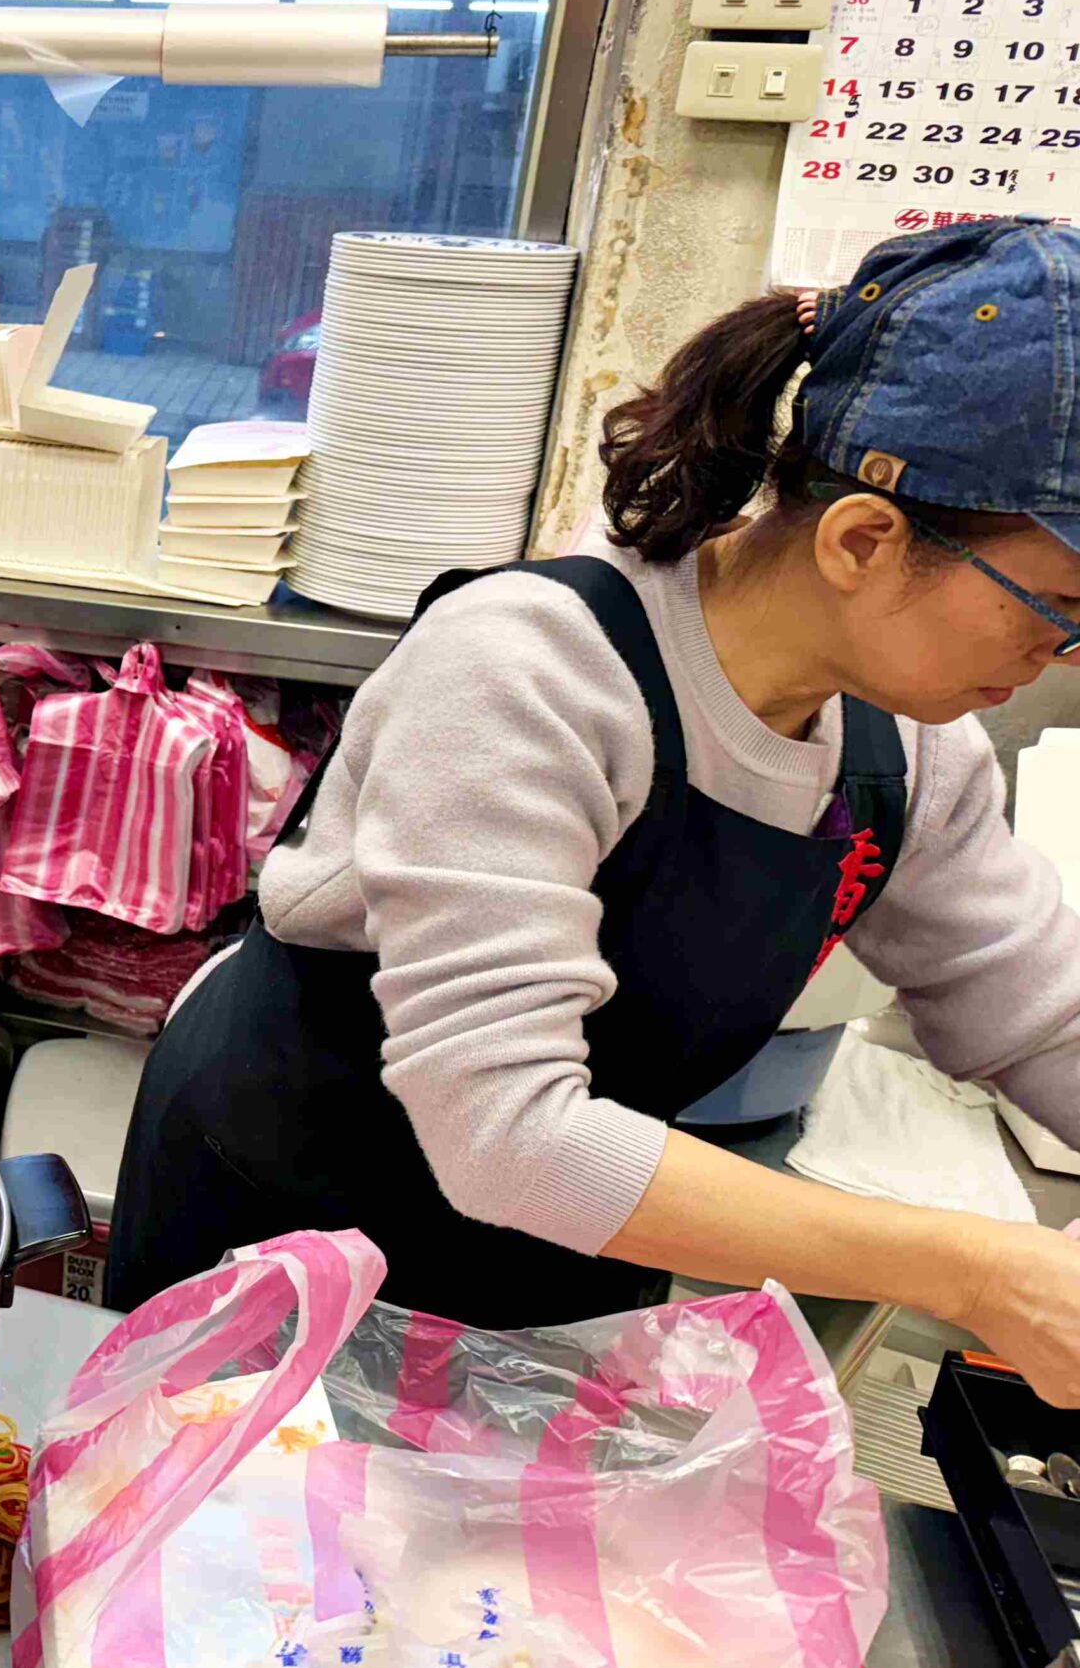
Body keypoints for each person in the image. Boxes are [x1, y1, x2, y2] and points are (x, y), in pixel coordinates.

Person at [107, 217, 1080, 1405]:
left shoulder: (911, 750)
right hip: (287, 1226)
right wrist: (976, 1272)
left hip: (572, 1228)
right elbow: (509, 1131)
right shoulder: (529, 672)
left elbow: (1042, 1018)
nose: (1064, 653)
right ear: (863, 539)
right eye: (1062, 606)